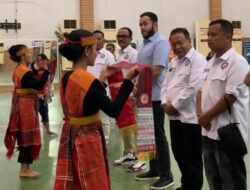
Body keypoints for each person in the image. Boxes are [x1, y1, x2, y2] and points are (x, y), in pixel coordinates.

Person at [54, 29, 138, 190]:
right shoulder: (88, 80)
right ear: (86, 51)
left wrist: (103, 78)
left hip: (71, 135)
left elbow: (87, 98)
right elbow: (113, 110)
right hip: (87, 140)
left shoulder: (66, 77)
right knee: (92, 181)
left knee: (76, 179)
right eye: (94, 50)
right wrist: (127, 81)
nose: (96, 54)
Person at [197, 19, 249, 190]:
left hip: (228, 132)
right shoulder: (210, 62)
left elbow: (230, 97)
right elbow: (200, 91)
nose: (209, 39)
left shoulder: (237, 62)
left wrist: (206, 116)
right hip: (208, 130)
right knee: (213, 179)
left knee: (232, 180)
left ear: (228, 37)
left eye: (213, 35)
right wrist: (200, 115)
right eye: (208, 35)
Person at [161, 28, 206, 190]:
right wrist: (165, 102)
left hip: (190, 119)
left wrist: (175, 105)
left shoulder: (198, 60)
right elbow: (165, 84)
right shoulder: (174, 62)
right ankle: (185, 185)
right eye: (174, 44)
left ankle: (193, 187)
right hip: (174, 118)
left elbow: (193, 87)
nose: (177, 47)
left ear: (189, 41)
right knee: (179, 155)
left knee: (192, 158)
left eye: (180, 43)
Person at [135, 12, 174, 190]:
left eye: (145, 24)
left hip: (156, 97)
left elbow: (157, 70)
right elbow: (141, 69)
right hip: (144, 96)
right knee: (147, 136)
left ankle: (167, 176)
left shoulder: (161, 43)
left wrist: (140, 85)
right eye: (140, 24)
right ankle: (154, 170)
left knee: (158, 136)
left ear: (155, 24)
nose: (142, 27)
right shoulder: (143, 45)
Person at [4, 44, 50, 177]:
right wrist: (46, 71)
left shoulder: (19, 69)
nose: (31, 55)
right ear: (22, 56)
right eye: (28, 53)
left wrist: (36, 71)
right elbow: (38, 85)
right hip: (26, 107)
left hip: (23, 105)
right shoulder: (24, 71)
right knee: (27, 137)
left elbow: (29, 82)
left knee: (24, 136)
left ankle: (25, 169)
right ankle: (25, 170)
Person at [113, 27, 146, 172]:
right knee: (126, 125)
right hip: (121, 96)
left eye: (124, 36)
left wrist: (134, 93)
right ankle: (129, 154)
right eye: (118, 36)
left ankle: (142, 159)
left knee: (136, 127)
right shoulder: (118, 54)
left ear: (131, 38)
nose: (121, 38)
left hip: (131, 95)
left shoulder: (134, 54)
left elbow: (136, 74)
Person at [87, 30, 115, 143]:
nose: (96, 41)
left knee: (103, 119)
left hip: (103, 91)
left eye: (99, 38)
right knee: (90, 117)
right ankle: (92, 138)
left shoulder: (108, 55)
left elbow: (112, 73)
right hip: (88, 91)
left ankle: (105, 140)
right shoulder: (88, 53)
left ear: (103, 40)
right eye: (94, 39)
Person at [31, 54, 56, 136]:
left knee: (45, 113)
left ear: (45, 60)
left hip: (44, 96)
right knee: (34, 115)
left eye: (41, 59)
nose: (39, 62)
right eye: (38, 60)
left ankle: (48, 131)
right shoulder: (34, 70)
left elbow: (49, 82)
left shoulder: (47, 71)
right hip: (35, 96)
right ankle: (33, 132)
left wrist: (49, 94)